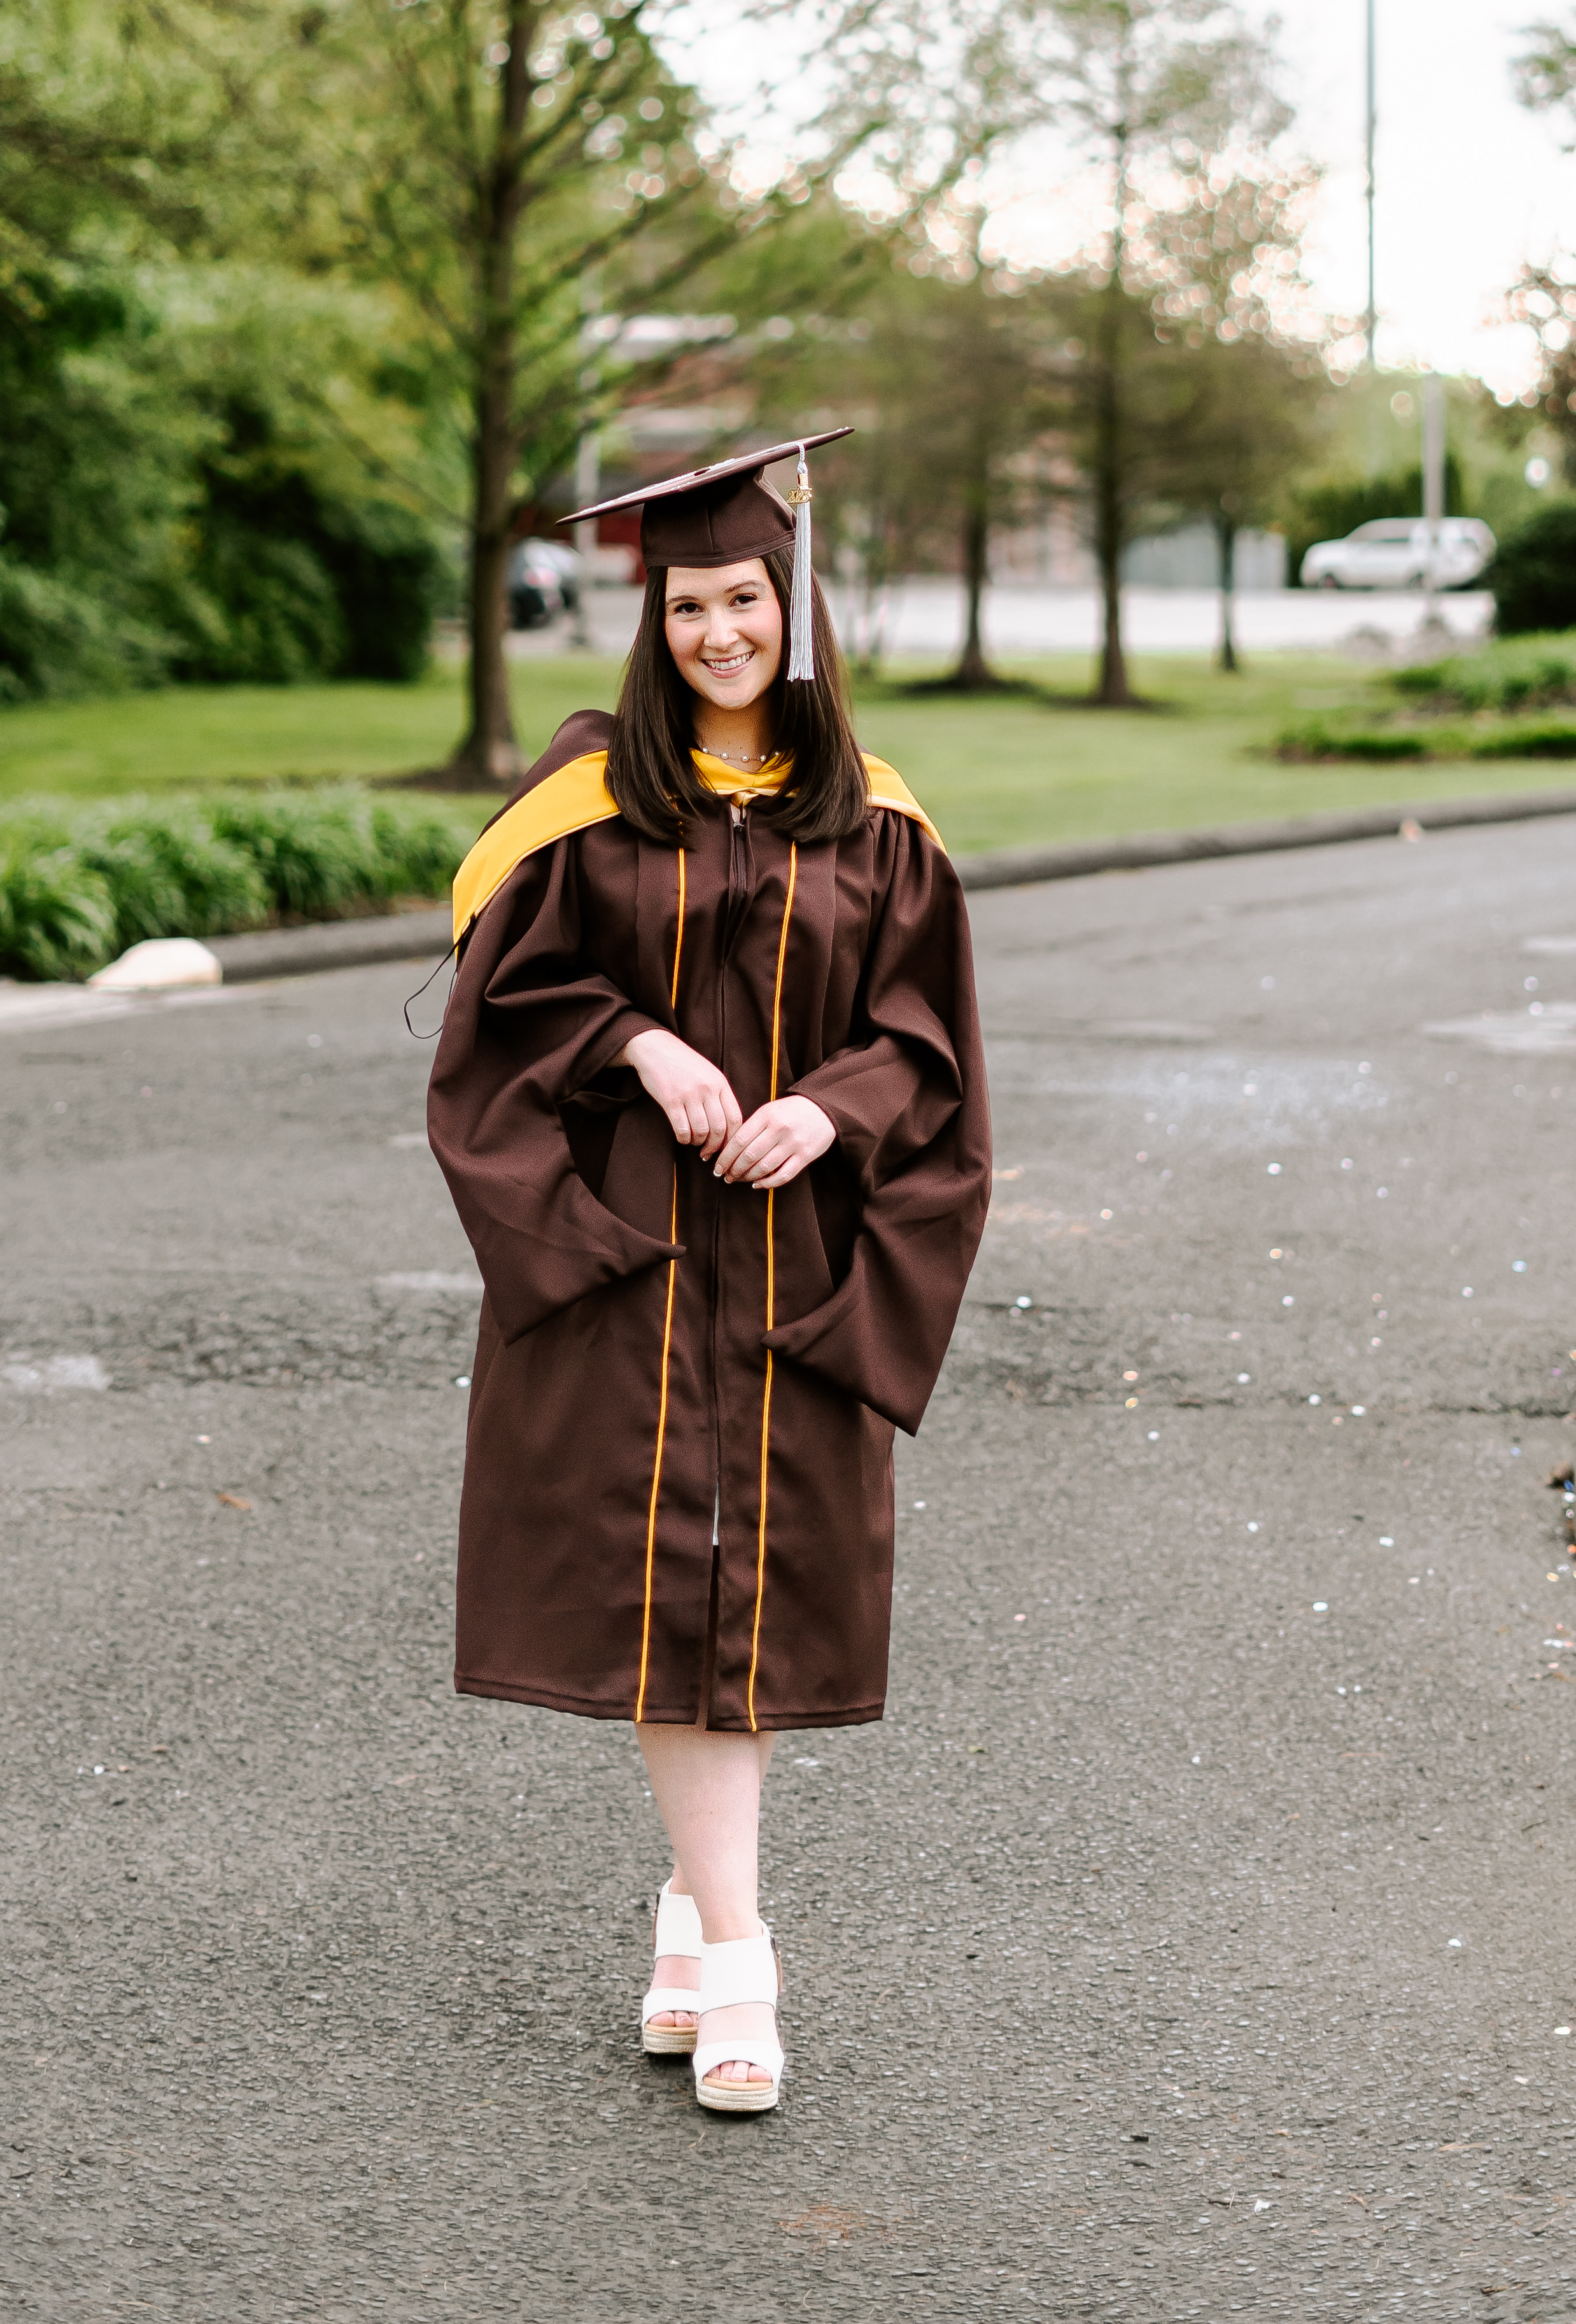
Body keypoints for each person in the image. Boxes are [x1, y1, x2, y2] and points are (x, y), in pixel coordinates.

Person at [426, 435, 990, 2116]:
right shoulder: (591, 811)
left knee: (741, 1615)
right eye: (689, 606)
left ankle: (691, 1923)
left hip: (792, 1268)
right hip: (635, 1267)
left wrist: (829, 1111)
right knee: (672, 1604)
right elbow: (504, 1009)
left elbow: (928, 1046)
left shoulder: (875, 828)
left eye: (744, 600)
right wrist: (640, 1044)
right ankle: (743, 1962)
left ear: (793, 608)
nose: (717, 634)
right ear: (653, 620)